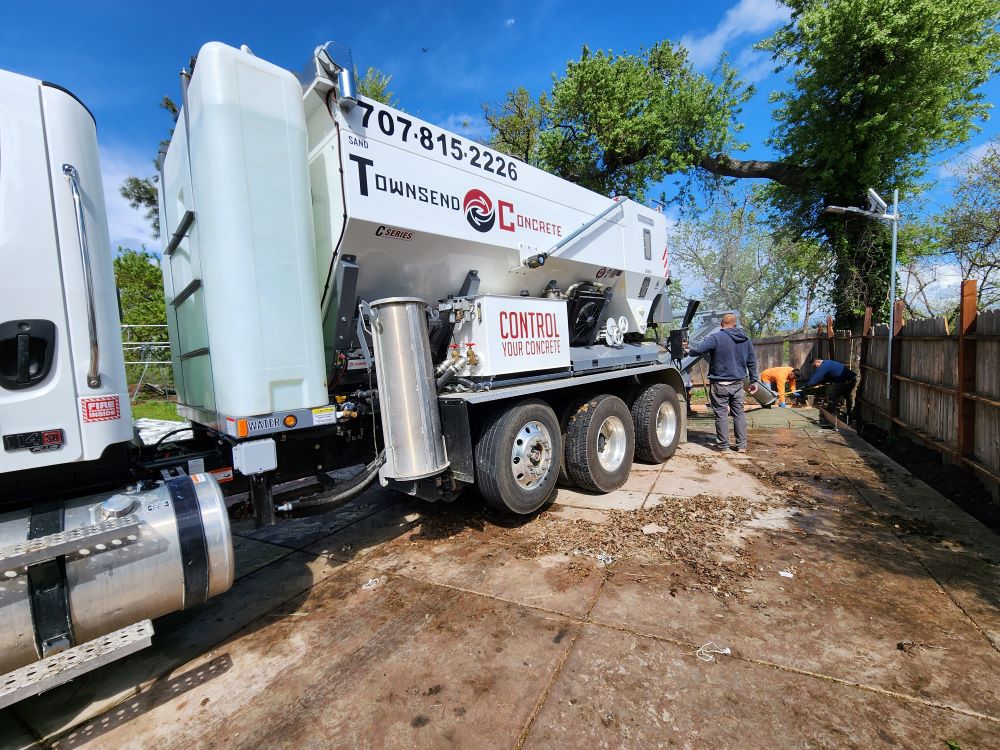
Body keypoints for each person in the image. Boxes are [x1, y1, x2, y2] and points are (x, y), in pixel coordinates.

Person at [687, 313, 759, 452]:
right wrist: (754, 380)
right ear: (735, 324)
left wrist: (687, 348)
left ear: (721, 324)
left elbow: (698, 350)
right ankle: (742, 446)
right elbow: (752, 361)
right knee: (739, 414)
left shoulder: (716, 337)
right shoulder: (745, 339)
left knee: (721, 414)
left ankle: (724, 446)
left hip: (719, 384)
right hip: (737, 383)